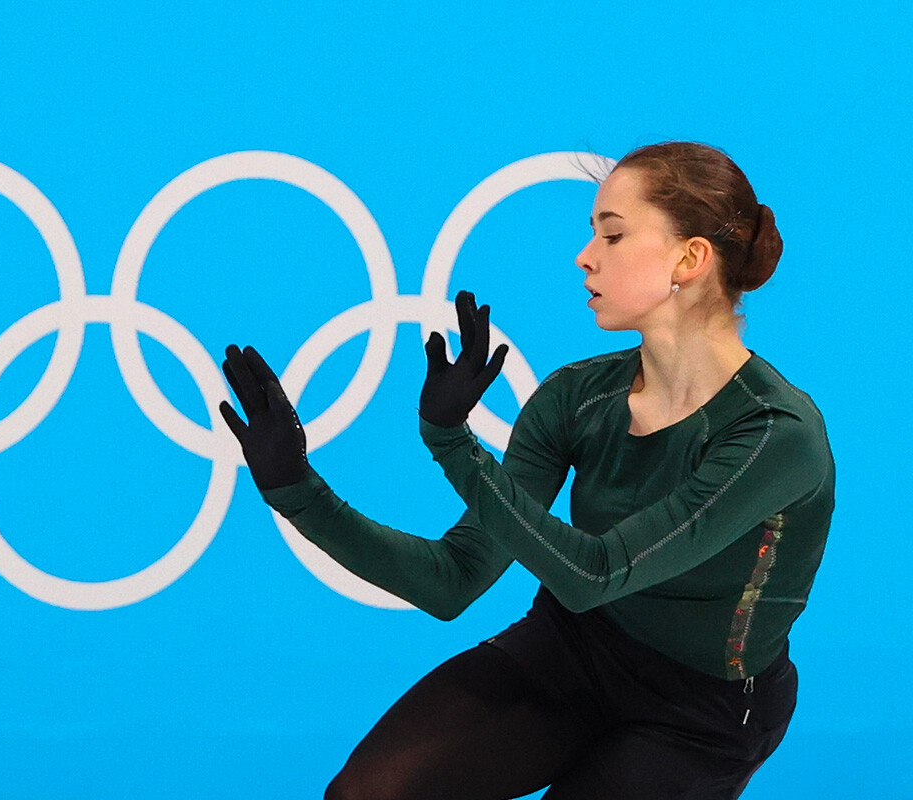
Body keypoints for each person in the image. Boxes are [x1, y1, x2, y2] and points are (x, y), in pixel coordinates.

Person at [219, 141, 834, 800]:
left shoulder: (774, 435)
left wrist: (452, 444)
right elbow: (453, 580)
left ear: (689, 258)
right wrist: (295, 490)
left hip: (704, 710)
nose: (586, 256)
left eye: (614, 235)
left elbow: (595, 573)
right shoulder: (578, 396)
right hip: (571, 653)